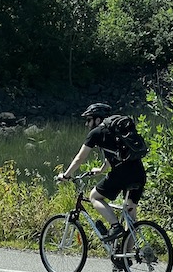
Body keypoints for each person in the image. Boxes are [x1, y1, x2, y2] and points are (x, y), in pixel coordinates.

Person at [58, 102, 147, 243]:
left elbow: (80, 158)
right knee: (130, 216)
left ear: (98, 119)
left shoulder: (96, 133)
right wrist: (101, 170)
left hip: (122, 174)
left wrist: (66, 175)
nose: (87, 124)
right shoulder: (116, 131)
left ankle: (115, 226)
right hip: (138, 173)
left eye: (89, 120)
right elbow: (115, 155)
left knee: (94, 196)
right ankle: (126, 258)